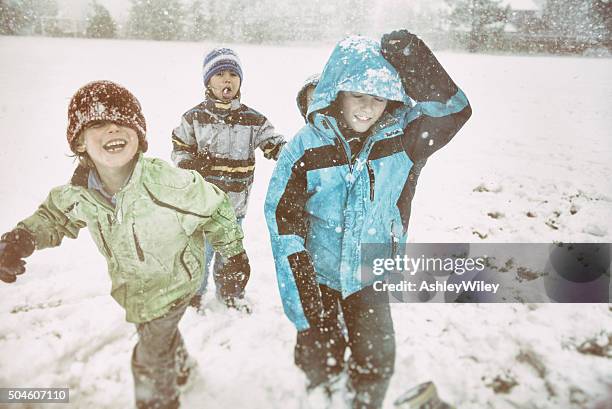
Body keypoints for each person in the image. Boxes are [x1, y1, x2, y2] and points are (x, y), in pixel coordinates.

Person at [0, 80, 250, 409]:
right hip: (136, 288)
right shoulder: (81, 195)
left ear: (139, 135)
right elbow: (54, 217)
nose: (113, 129)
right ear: (79, 143)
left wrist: (233, 253)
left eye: (122, 122)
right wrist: (22, 239)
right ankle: (183, 368)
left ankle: (159, 401)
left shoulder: (165, 183)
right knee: (157, 338)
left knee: (147, 360)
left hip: (174, 283)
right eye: (98, 124)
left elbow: (214, 206)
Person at [264, 31, 472, 409]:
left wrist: (413, 59)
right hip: (319, 275)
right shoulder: (306, 146)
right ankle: (323, 395)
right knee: (318, 355)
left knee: (377, 358)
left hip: (370, 272)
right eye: (357, 94)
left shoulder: (403, 139)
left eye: (378, 96)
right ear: (336, 93)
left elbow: (455, 111)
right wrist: (303, 295)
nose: (367, 106)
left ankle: (363, 402)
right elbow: (283, 220)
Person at [171, 47, 286, 311]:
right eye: (220, 74)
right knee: (198, 254)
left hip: (234, 207)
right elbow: (179, 145)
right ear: (208, 81)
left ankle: (230, 293)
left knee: (230, 255)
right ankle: (193, 295)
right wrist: (188, 164)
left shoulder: (253, 120)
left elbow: (273, 143)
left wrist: (293, 153)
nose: (227, 80)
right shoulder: (194, 118)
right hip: (201, 207)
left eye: (233, 74)